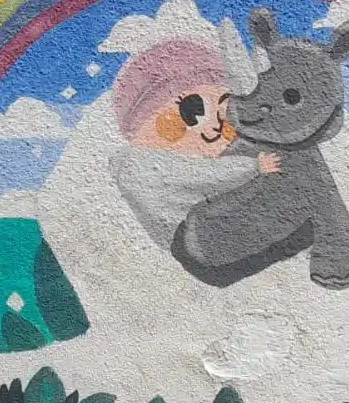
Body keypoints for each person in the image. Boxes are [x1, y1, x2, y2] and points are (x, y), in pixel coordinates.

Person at [109, 39, 279, 249]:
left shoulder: (141, 165)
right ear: (140, 128)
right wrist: (253, 166)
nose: (214, 126)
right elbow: (201, 174)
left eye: (225, 109)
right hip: (194, 236)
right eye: (192, 112)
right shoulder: (141, 165)